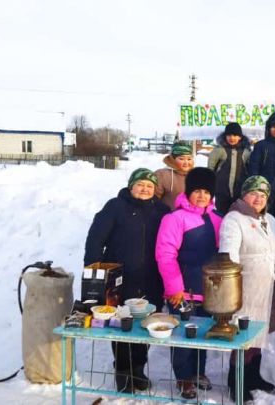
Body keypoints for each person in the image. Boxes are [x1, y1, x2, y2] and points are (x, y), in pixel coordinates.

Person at [84, 168, 171, 393]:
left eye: (149, 186)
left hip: (152, 278)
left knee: (146, 323)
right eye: (140, 184)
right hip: (120, 279)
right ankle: (123, 372)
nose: (144, 189)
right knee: (123, 324)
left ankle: (138, 369)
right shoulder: (115, 207)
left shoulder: (161, 211)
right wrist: (94, 272)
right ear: (131, 186)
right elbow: (95, 239)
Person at [155, 167, 222, 400]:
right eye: (197, 191)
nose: (201, 196)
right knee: (184, 335)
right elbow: (165, 254)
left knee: (201, 333)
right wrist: (174, 288)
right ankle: (183, 377)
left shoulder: (217, 219)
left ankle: (198, 372)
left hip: (208, 290)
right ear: (188, 192)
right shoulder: (175, 218)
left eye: (206, 191)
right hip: (183, 291)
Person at [218, 175, 275, 402]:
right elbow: (228, 255)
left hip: (268, 286)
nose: (258, 198)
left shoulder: (271, 220)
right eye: (254, 193)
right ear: (244, 194)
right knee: (243, 337)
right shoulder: (234, 219)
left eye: (263, 195)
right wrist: (231, 289)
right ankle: (236, 382)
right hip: (245, 286)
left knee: (259, 333)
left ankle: (253, 376)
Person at [208, 122, 252, 214]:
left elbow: (250, 169)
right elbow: (210, 169)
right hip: (221, 191)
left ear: (240, 137)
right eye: (229, 135)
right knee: (221, 215)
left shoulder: (246, 152)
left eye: (235, 135)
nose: (232, 138)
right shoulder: (219, 150)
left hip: (239, 192)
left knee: (238, 215)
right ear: (225, 136)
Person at [155, 141, 195, 209]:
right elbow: (154, 199)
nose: (186, 162)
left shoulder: (196, 175)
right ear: (173, 159)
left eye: (189, 159)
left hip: (191, 217)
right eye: (181, 159)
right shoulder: (162, 175)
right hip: (168, 216)